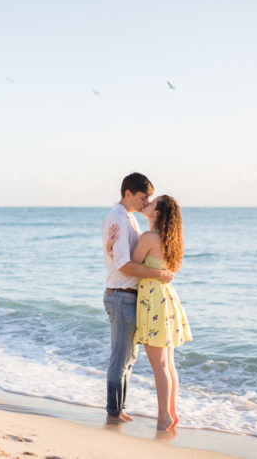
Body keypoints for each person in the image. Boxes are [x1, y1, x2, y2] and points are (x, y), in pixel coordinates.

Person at [108, 194, 192, 430]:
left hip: (153, 302)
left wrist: (110, 248)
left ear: (158, 213)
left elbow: (128, 267)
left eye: (153, 203)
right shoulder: (171, 240)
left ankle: (164, 417)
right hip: (167, 299)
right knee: (168, 364)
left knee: (160, 366)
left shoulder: (149, 237)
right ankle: (171, 414)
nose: (148, 203)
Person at [102, 173, 174, 424]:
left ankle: (119, 408)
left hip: (129, 295)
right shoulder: (119, 219)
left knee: (129, 357)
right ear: (128, 193)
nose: (146, 202)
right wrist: (159, 274)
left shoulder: (130, 220)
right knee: (121, 356)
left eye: (149, 199)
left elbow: (127, 258)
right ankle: (113, 410)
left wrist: (111, 252)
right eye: (143, 197)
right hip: (120, 294)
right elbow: (124, 265)